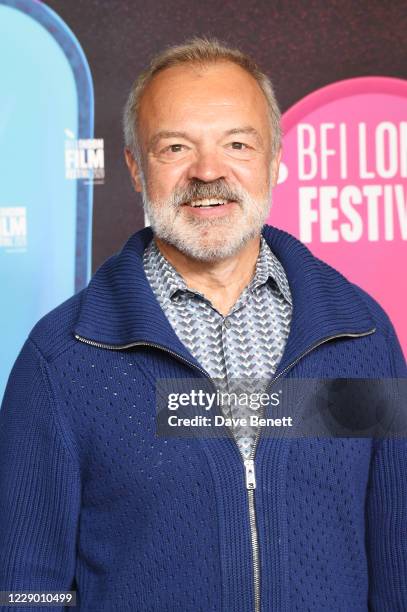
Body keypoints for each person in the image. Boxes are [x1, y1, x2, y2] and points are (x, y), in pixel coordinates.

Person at [0, 37, 406, 612]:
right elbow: (25, 589)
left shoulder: (361, 336)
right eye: (175, 148)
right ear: (137, 169)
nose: (208, 171)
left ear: (274, 160)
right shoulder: (61, 358)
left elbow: (396, 559)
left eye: (237, 143)